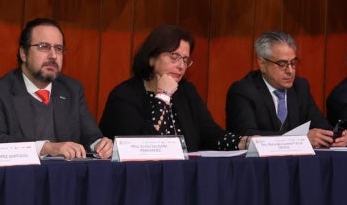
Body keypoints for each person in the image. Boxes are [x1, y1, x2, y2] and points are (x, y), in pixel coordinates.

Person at [0, 17, 113, 159]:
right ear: (24, 53)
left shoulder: (72, 89)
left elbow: (90, 135)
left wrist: (99, 144)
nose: (53, 55)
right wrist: (46, 147)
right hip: (19, 177)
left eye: (58, 49)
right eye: (44, 47)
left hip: (65, 177)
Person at [100, 24, 248, 152]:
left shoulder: (186, 91)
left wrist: (242, 142)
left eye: (185, 59)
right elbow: (140, 147)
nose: (181, 66)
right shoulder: (125, 95)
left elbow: (209, 133)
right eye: (174, 57)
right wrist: (163, 96)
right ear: (151, 58)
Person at [226, 30, 347, 148]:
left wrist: (334, 136)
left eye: (293, 63)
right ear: (262, 64)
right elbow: (247, 136)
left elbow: (319, 124)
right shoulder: (242, 91)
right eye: (282, 64)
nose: (290, 71)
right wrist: (301, 139)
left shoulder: (300, 87)